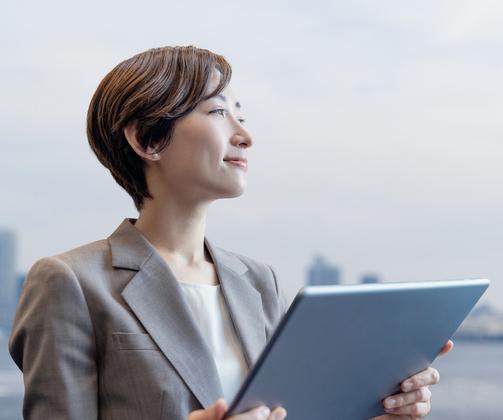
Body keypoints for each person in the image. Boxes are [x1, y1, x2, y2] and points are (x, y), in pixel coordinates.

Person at [8, 45, 453, 420]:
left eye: (241, 115)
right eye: (219, 112)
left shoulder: (259, 282)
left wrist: (381, 413)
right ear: (147, 139)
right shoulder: (69, 281)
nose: (245, 136)